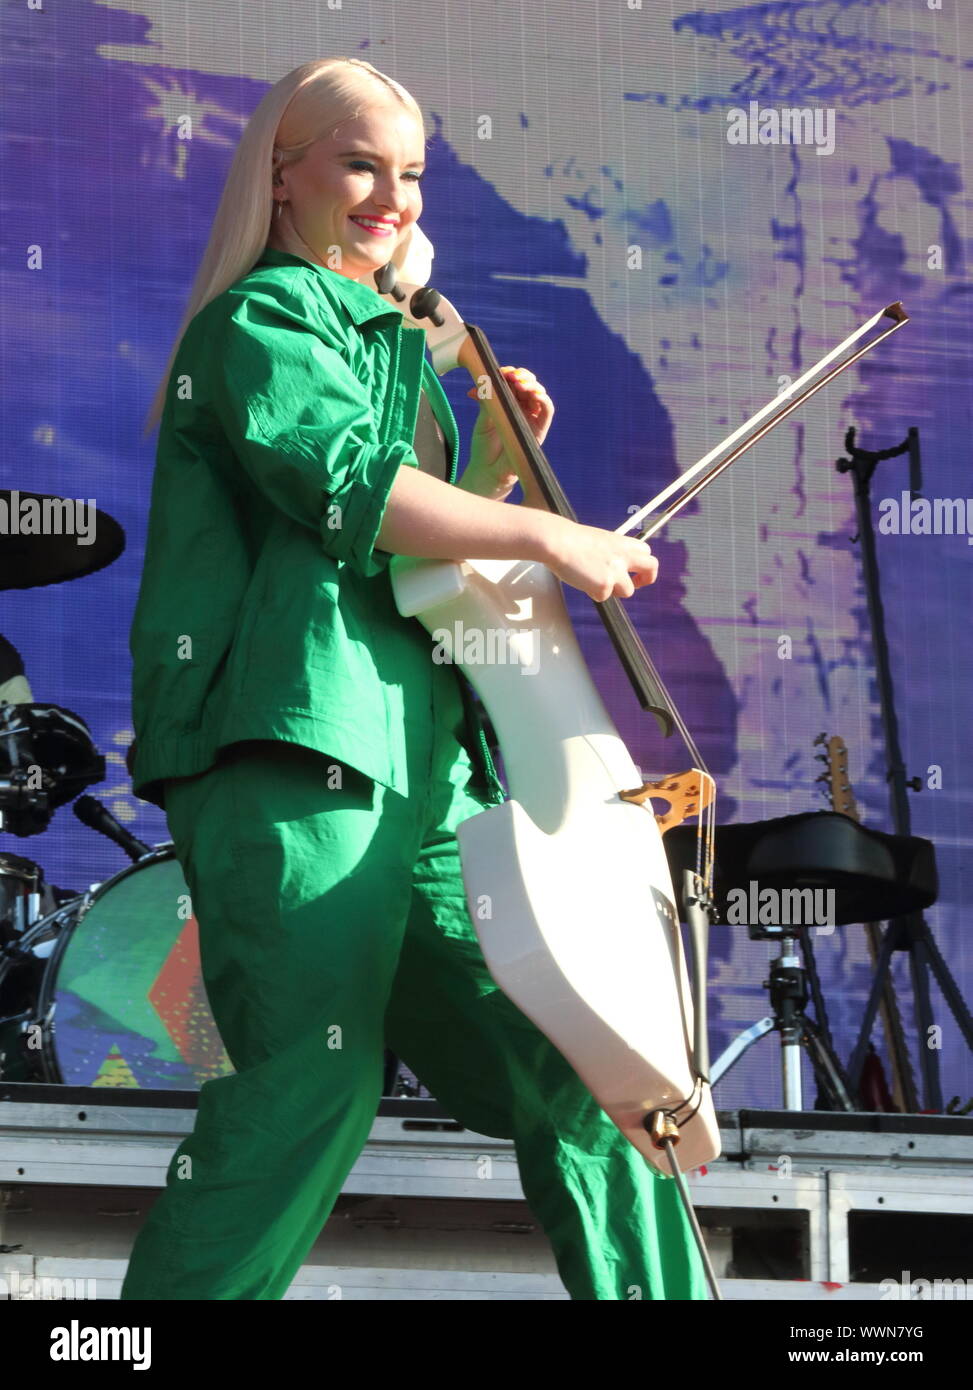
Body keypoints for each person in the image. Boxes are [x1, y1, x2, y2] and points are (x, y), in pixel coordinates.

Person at [119, 56, 706, 1301]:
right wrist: (550, 532)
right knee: (303, 1094)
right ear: (282, 175)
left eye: (413, 175)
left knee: (588, 1074)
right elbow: (352, 495)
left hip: (428, 775)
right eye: (359, 164)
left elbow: (419, 564)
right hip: (299, 760)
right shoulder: (259, 323)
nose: (393, 198)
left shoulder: (398, 353)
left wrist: (488, 465)